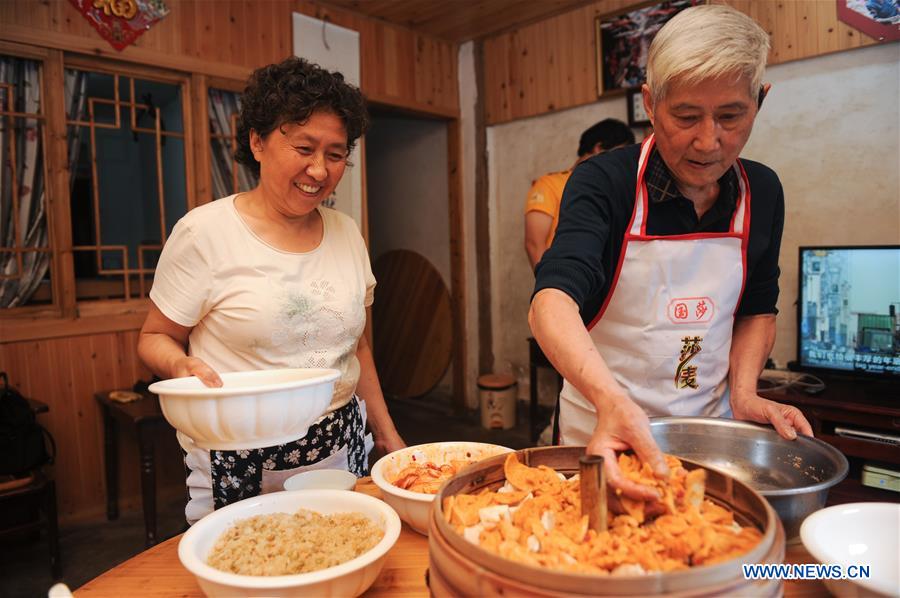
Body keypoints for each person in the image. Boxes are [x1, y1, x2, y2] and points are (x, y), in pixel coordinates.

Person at [528, 4, 812, 501]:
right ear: (650, 103)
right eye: (685, 116)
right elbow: (551, 300)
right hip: (600, 432)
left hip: (709, 443)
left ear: (760, 102)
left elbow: (757, 309)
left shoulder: (762, 191)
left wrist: (744, 393)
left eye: (731, 116)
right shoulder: (604, 182)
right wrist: (610, 402)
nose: (708, 142)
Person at [137, 57, 406, 523]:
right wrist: (180, 364)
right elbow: (153, 336)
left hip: (340, 445)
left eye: (336, 154)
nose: (319, 170)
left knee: (340, 562)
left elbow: (357, 347)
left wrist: (386, 432)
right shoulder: (204, 233)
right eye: (304, 147)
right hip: (239, 452)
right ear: (257, 142)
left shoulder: (348, 233)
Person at [524, 119, 634, 270]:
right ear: (599, 148)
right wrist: (550, 286)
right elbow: (534, 244)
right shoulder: (549, 184)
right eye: (618, 154)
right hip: (564, 280)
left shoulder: (611, 187)